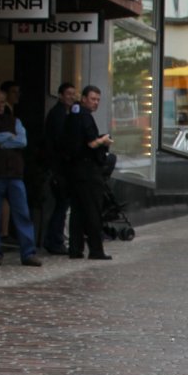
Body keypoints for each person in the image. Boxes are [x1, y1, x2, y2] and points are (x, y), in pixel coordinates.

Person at [0, 89, 42, 266]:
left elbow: (22, 141)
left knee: (22, 214)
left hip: (14, 175)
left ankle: (28, 253)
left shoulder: (15, 121)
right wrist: (7, 136)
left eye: (2, 102)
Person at [66, 84, 112, 261]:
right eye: (93, 99)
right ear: (84, 98)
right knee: (92, 210)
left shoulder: (74, 114)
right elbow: (92, 143)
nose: (96, 103)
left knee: (78, 210)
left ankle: (75, 249)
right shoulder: (85, 117)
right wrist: (104, 140)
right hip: (87, 169)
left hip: (74, 169)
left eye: (98, 100)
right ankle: (96, 249)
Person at [41, 82, 78, 254]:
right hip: (59, 167)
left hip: (60, 165)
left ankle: (55, 239)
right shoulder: (58, 114)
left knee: (62, 205)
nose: (71, 97)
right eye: (68, 94)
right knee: (61, 204)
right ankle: (54, 240)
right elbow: (60, 141)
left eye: (73, 94)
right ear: (61, 95)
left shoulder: (65, 113)